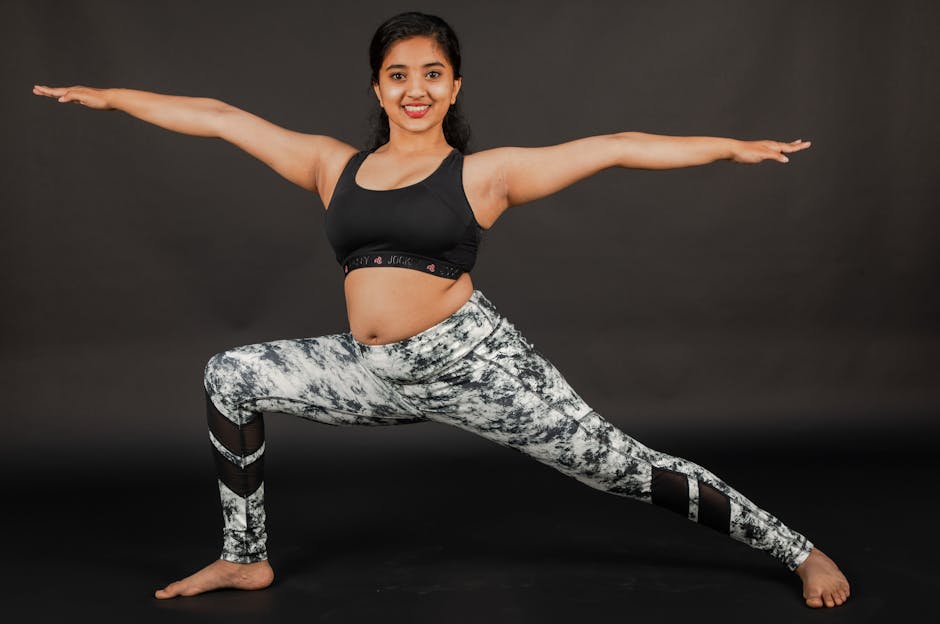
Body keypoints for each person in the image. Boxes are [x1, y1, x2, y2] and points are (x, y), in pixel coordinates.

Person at [33, 10, 850, 609]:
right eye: (398, 74)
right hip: (374, 373)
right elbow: (219, 119)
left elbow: (617, 144)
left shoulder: (484, 175)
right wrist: (110, 96)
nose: (415, 88)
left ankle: (797, 550)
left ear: (452, 85)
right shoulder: (332, 167)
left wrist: (731, 148)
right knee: (230, 376)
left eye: (431, 73)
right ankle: (245, 557)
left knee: (623, 468)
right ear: (378, 88)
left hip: (476, 366)